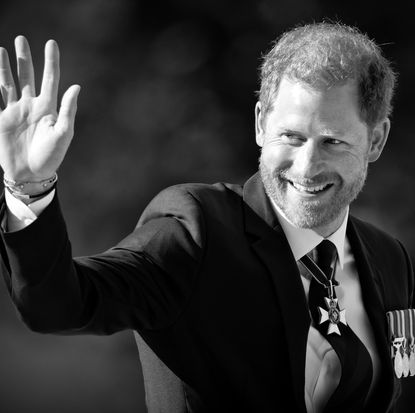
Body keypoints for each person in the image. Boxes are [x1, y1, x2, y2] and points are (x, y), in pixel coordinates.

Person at [0, 21, 413, 413]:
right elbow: (57, 306)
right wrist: (30, 188)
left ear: (375, 139)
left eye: (333, 141)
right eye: (292, 136)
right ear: (258, 125)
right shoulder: (196, 230)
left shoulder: (389, 257)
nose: (307, 166)